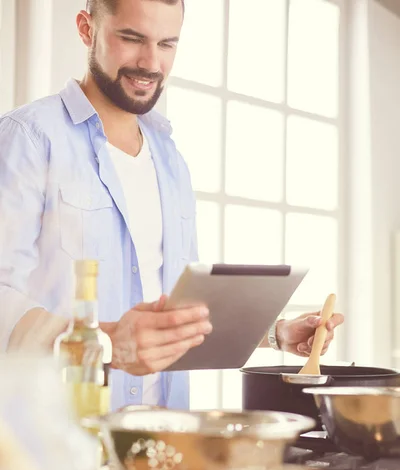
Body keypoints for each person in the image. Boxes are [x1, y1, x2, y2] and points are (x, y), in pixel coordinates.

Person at [0, 0, 344, 411]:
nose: (151, 62)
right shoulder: (29, 138)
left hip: (163, 438)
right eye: (131, 38)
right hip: (55, 445)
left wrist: (276, 333)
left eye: (167, 44)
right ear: (86, 29)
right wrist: (105, 343)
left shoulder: (170, 159)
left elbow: (180, 311)